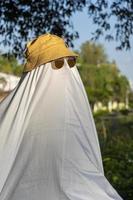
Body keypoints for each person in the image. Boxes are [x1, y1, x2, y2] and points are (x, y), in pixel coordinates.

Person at [0, 33, 123, 200]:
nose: (66, 68)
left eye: (70, 62)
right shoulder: (13, 117)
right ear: (37, 72)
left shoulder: (75, 111)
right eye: (57, 63)